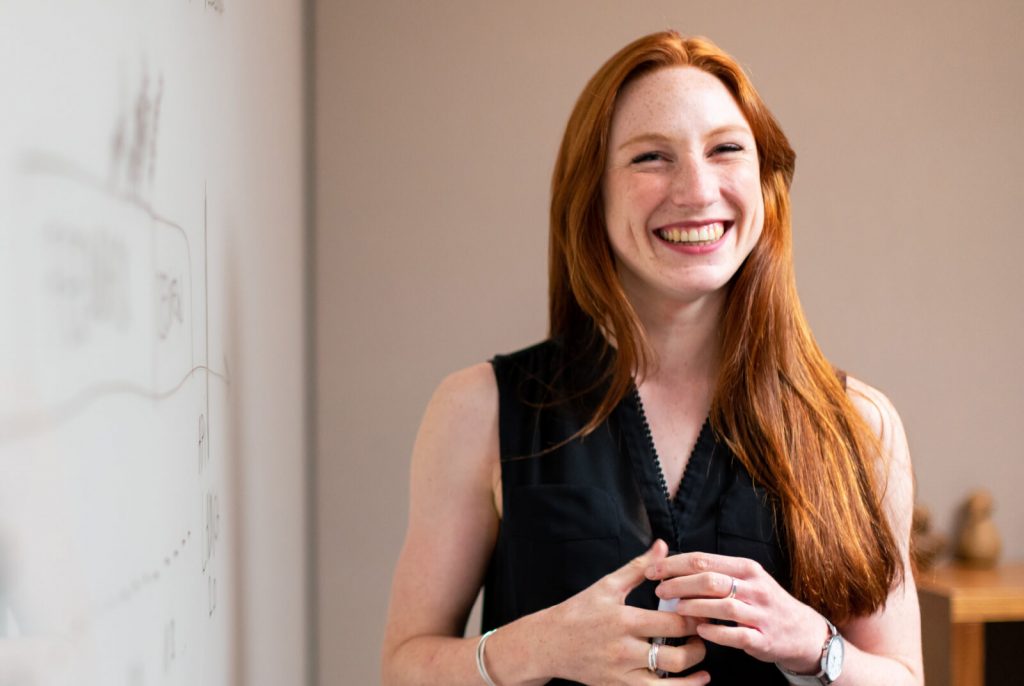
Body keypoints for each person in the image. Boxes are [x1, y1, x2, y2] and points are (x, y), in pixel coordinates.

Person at [381, 30, 922, 686]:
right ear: (593, 195)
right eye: (651, 159)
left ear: (765, 180)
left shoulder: (860, 425)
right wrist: (538, 647)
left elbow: (904, 677)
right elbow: (404, 667)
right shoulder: (478, 410)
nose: (696, 190)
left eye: (726, 150)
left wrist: (816, 645)